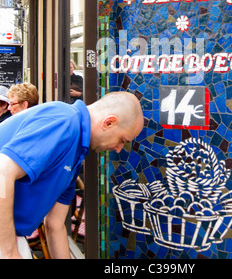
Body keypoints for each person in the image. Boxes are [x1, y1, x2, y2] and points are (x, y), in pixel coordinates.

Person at [0, 91, 144, 259]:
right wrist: (8, 251)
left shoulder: (77, 150)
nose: (118, 149)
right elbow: (2, 173)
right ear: (109, 123)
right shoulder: (64, 121)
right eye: (122, 140)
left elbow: (55, 224)